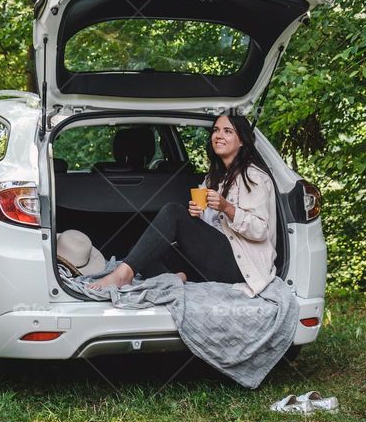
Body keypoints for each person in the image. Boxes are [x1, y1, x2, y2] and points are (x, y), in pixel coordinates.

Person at [86, 114, 277, 297]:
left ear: (242, 140)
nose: (219, 135)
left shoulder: (253, 177)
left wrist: (227, 207)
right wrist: (197, 214)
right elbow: (210, 227)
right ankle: (180, 278)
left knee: (173, 212)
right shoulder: (214, 178)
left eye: (228, 131)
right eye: (216, 130)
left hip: (240, 266)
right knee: (141, 253)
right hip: (213, 261)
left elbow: (261, 230)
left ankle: (121, 276)